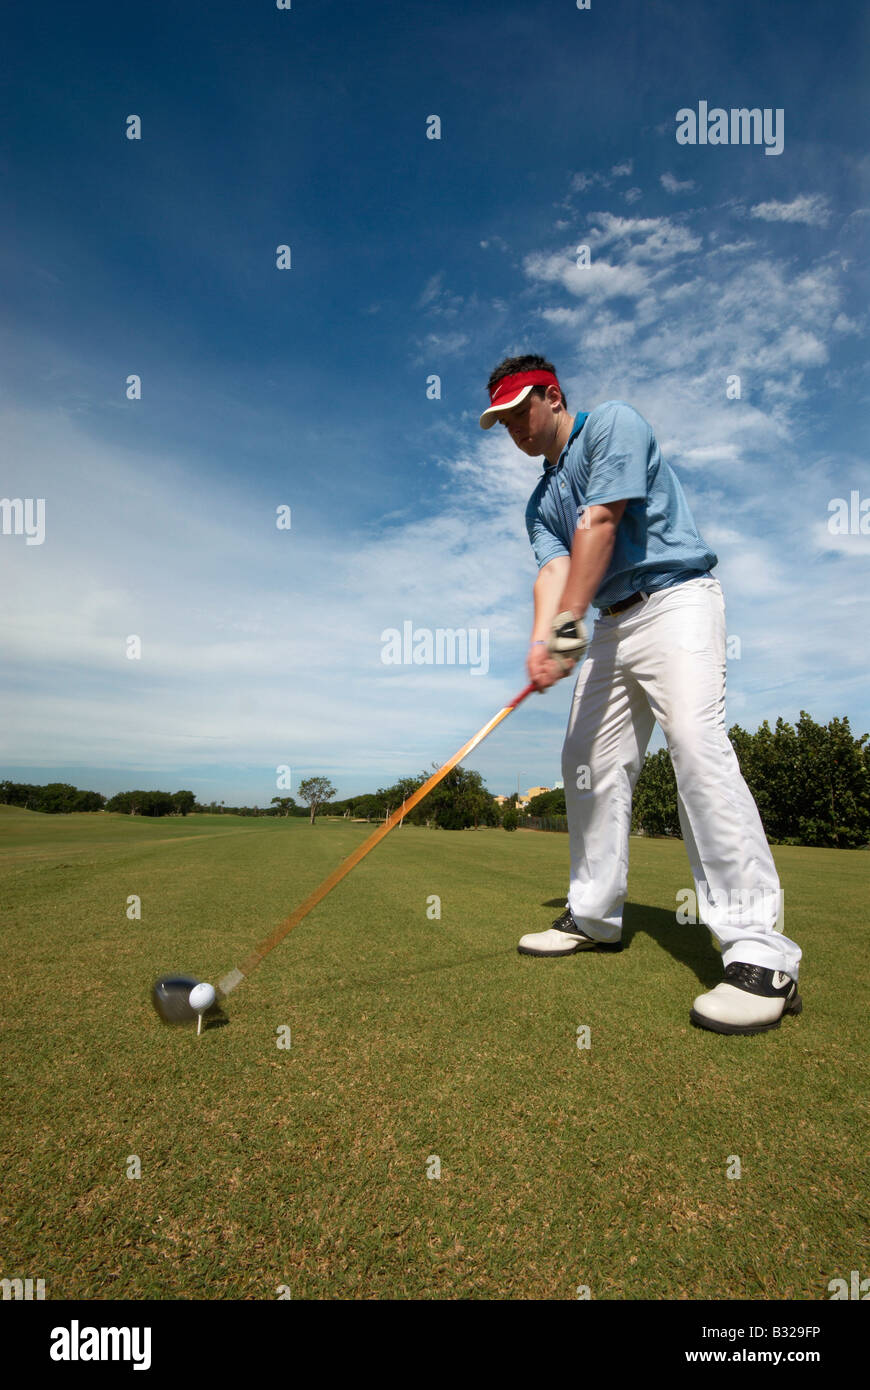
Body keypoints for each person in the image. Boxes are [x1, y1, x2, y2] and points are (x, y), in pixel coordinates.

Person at [479, 354, 802, 1035]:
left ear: (553, 396)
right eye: (500, 421)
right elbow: (556, 570)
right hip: (609, 626)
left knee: (694, 742)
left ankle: (759, 953)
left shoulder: (613, 426)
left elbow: (600, 523)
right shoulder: (539, 502)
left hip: (677, 599)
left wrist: (566, 625)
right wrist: (546, 642)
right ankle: (594, 915)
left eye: (518, 412)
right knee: (583, 760)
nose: (512, 428)